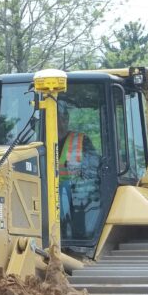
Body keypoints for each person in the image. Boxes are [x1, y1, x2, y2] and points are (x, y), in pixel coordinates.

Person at [56, 99, 101, 240]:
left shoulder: (82, 141)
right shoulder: (40, 142)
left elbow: (93, 168)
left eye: (62, 119)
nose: (59, 123)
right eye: (56, 119)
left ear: (67, 119)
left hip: (78, 199)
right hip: (49, 197)